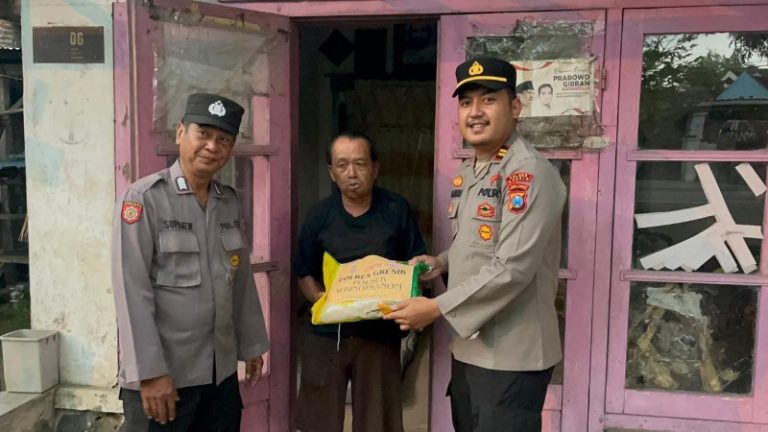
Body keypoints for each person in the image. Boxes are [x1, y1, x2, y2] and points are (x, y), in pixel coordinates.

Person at [385, 57, 566, 432]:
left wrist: (435, 308)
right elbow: (478, 243)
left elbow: (512, 267)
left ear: (515, 107)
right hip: (472, 347)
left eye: (489, 99)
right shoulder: (473, 169)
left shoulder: (527, 172)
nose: (475, 112)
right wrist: (440, 262)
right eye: (466, 102)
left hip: (511, 355)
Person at [112, 93, 269, 431]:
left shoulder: (228, 202)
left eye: (223, 139)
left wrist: (251, 345)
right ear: (181, 132)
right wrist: (150, 372)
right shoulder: (144, 199)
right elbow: (131, 290)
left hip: (219, 375)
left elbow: (240, 281)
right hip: (166, 378)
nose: (212, 146)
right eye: (204, 134)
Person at [294, 131, 426, 432]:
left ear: (375, 168)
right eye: (342, 165)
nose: (351, 173)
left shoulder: (396, 210)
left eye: (360, 164)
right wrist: (325, 303)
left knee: (378, 422)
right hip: (327, 336)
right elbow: (303, 272)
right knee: (318, 421)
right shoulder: (319, 215)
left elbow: (414, 265)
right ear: (331, 172)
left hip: (379, 335)